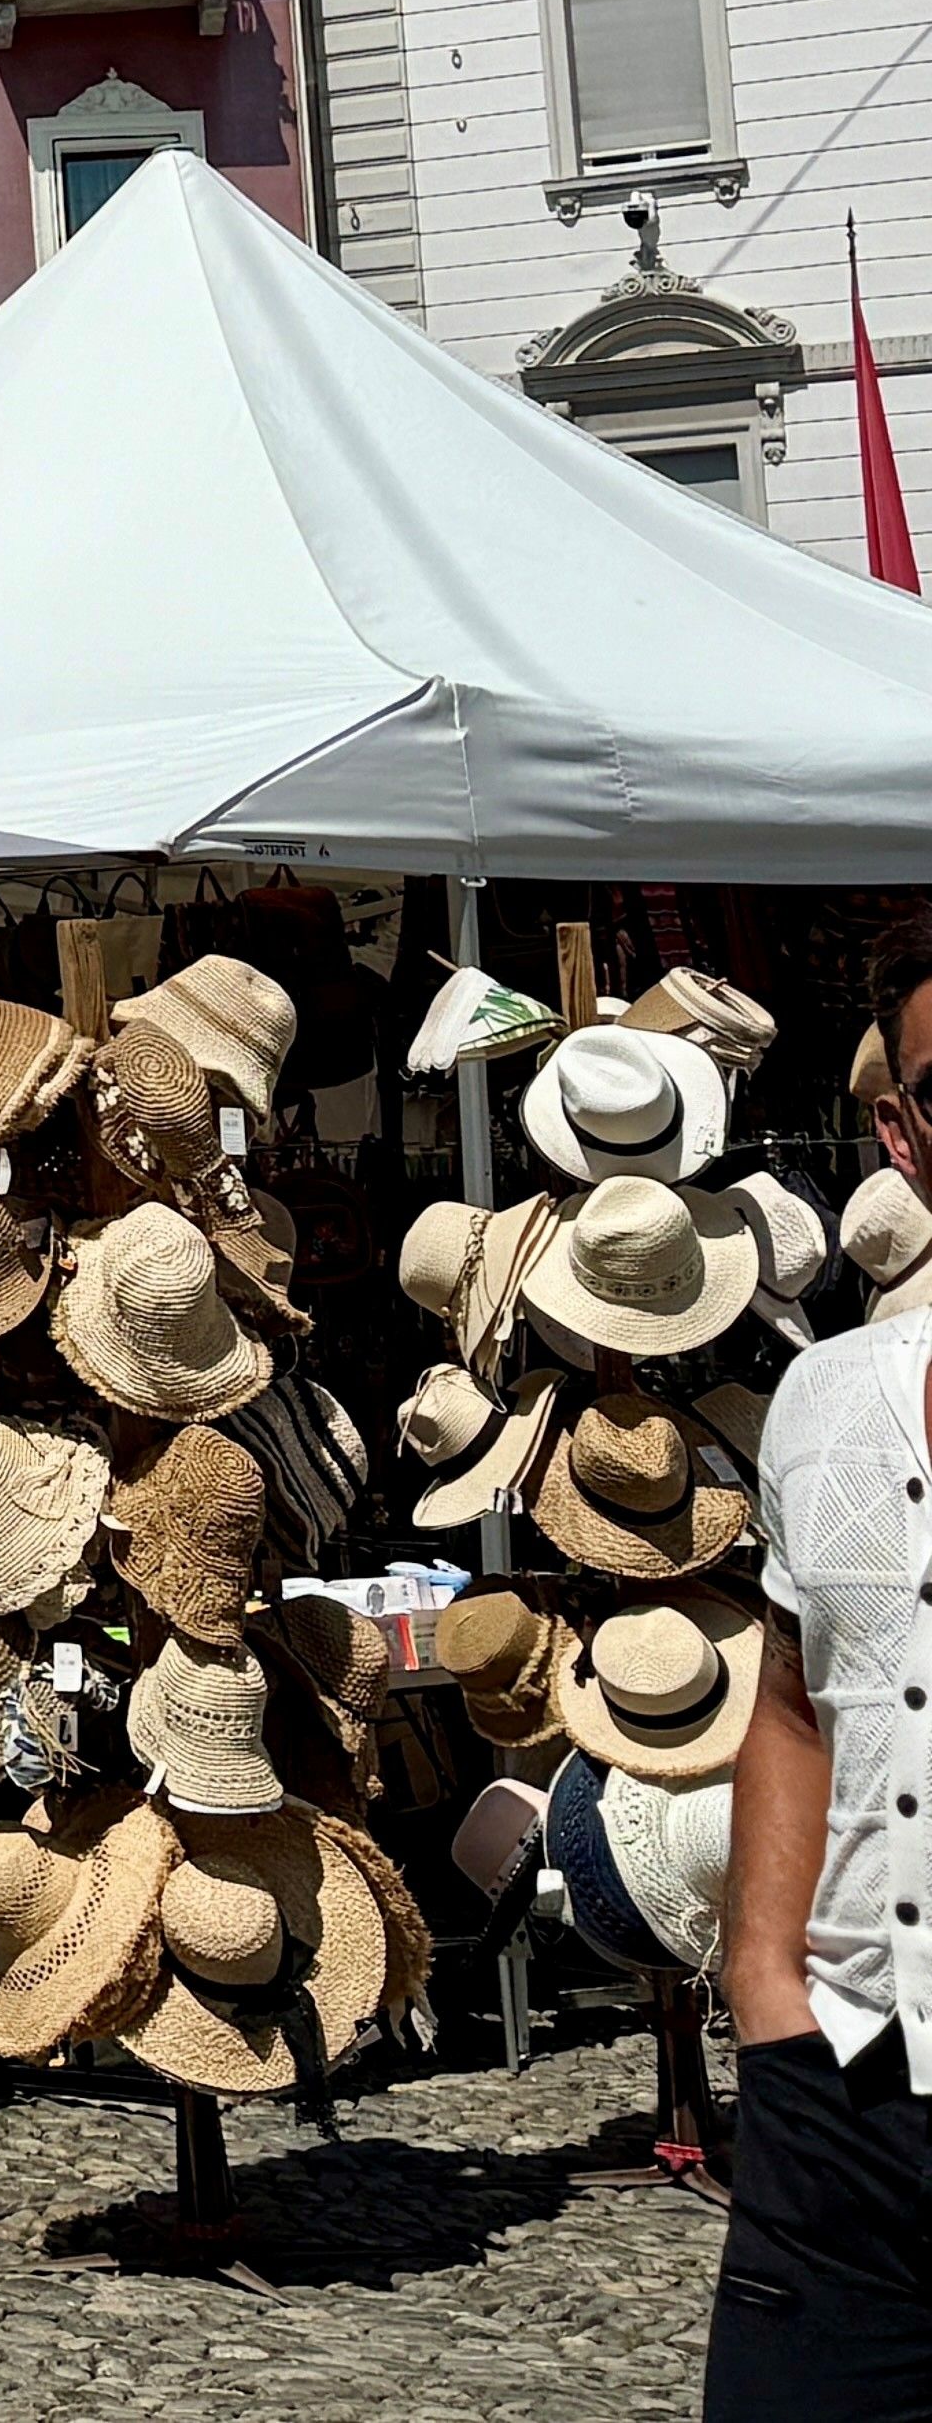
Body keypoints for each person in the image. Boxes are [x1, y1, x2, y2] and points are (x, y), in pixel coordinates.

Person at [709, 934, 932, 2421]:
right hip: (844, 2099)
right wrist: (763, 1978)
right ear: (905, 1133)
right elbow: (797, 1699)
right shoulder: (820, 1398)